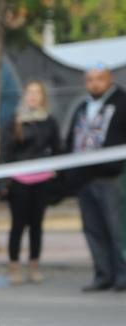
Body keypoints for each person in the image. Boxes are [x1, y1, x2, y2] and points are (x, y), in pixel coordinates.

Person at [65, 64, 126, 292]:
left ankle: (122, 274)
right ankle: (103, 274)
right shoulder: (83, 107)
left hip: (110, 177)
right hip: (83, 177)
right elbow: (72, 138)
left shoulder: (122, 102)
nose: (94, 83)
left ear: (109, 79)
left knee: (116, 228)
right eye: (90, 79)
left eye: (99, 79)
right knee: (93, 229)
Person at [0, 81, 62, 285]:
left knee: (37, 225)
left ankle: (34, 265)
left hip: (42, 179)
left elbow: (57, 148)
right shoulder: (15, 122)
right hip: (19, 180)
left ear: (43, 96)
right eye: (30, 92)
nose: (33, 96)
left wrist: (56, 172)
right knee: (18, 225)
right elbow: (5, 152)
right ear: (25, 96)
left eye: (37, 92)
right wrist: (4, 180)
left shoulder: (49, 121)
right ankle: (14, 265)